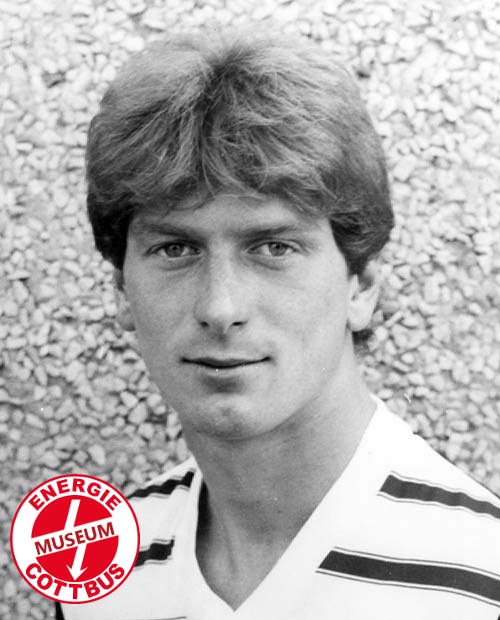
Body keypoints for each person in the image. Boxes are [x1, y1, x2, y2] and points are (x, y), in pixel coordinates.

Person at [57, 26, 500, 620]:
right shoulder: (102, 573)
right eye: (175, 249)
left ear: (361, 285)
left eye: (273, 247)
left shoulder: (478, 579)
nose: (220, 308)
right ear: (121, 289)